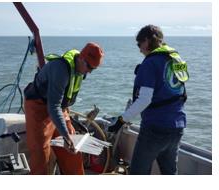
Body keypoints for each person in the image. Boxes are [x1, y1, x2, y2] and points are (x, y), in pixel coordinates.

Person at [108, 25, 189, 175]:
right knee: (170, 172)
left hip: (155, 128)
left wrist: (121, 120)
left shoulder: (150, 63)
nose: (139, 49)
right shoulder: (175, 58)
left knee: (139, 173)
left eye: (139, 44)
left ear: (147, 41)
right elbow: (181, 93)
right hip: (177, 127)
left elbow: (144, 99)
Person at [24, 42, 104, 175]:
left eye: (93, 69)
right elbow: (53, 106)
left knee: (72, 150)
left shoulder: (79, 69)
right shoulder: (60, 70)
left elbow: (62, 103)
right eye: (89, 67)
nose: (89, 72)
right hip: (38, 107)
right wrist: (65, 137)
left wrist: (67, 129)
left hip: (59, 108)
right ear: (81, 58)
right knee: (41, 153)